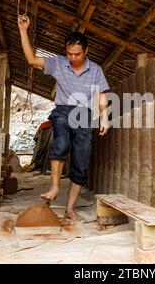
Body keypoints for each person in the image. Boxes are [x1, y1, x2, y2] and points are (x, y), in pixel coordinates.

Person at [18, 15, 110, 221]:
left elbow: (101, 96)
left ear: (86, 51)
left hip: (84, 114)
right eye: (69, 54)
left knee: (81, 160)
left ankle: (69, 209)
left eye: (77, 54)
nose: (73, 58)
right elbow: (32, 59)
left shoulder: (95, 70)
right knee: (60, 142)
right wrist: (23, 30)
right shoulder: (58, 63)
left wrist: (105, 118)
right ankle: (54, 187)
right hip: (63, 111)